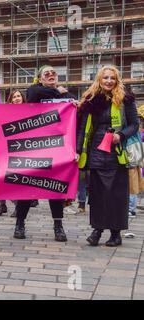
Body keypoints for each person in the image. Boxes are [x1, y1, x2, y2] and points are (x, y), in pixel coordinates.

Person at [77, 65, 139, 247]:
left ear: (117, 80)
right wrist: (78, 150)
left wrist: (121, 135)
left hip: (117, 153)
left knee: (115, 195)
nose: (109, 81)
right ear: (99, 79)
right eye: (105, 78)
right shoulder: (90, 99)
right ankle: (97, 230)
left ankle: (115, 233)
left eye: (112, 78)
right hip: (95, 151)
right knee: (97, 194)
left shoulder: (125, 99)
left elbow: (134, 124)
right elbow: (82, 127)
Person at [14, 65, 76, 242]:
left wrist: (64, 95)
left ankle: (58, 226)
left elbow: (73, 102)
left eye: (53, 73)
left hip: (56, 148)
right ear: (40, 79)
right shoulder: (35, 91)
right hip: (33, 146)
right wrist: (59, 91)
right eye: (46, 74)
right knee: (27, 187)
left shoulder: (65, 96)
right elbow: (33, 93)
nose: (50, 75)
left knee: (54, 189)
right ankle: (20, 223)